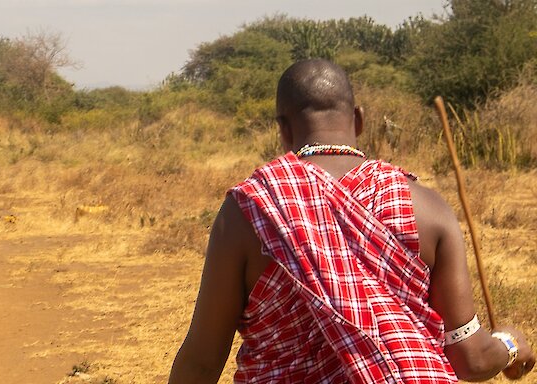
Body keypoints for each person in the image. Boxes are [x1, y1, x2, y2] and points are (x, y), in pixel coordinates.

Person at [169, 59, 535, 383]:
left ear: (282, 128)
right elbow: (471, 358)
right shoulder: (428, 206)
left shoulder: (249, 210)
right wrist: (509, 344)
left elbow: (201, 364)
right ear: (358, 120)